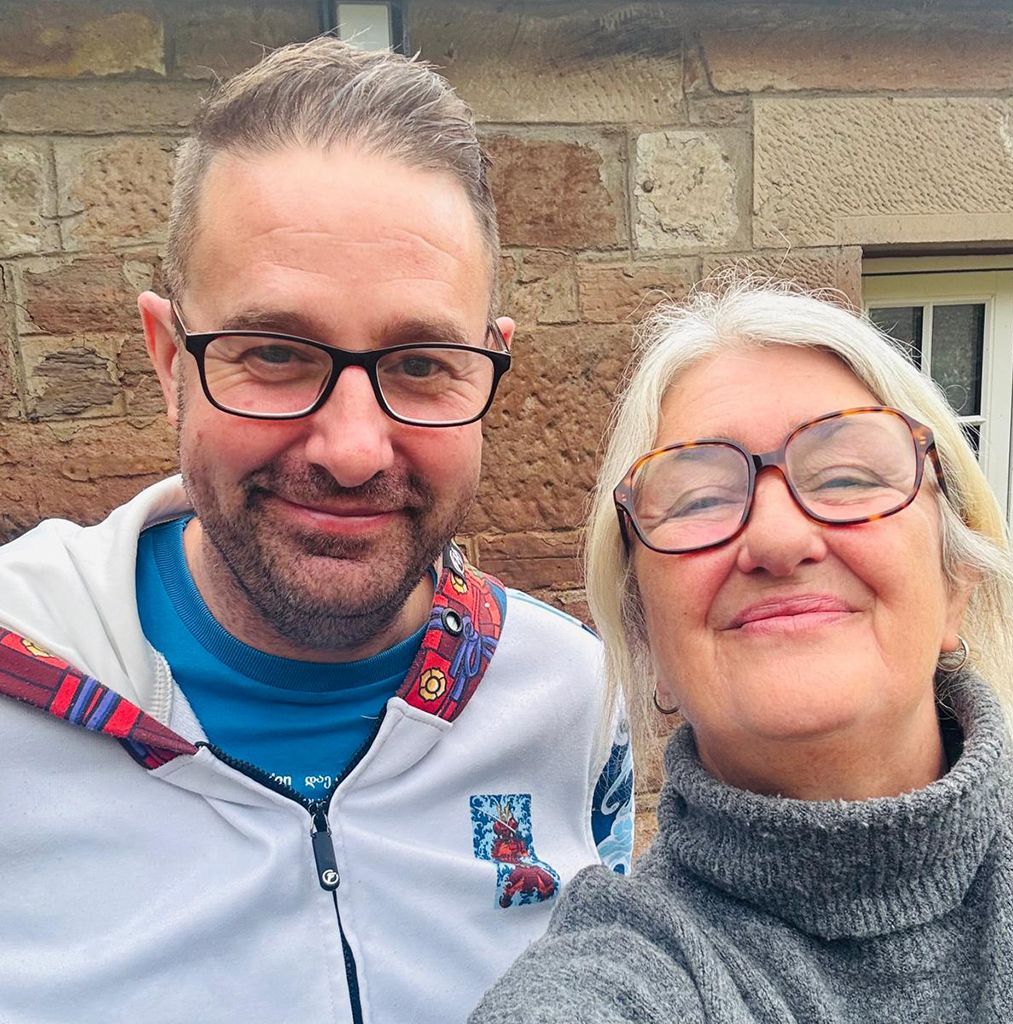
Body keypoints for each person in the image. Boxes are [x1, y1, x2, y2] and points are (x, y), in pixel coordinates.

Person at [0, 39, 633, 1024]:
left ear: (488, 370)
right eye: (273, 353)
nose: (350, 447)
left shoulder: (574, 702)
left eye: (423, 362)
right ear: (169, 358)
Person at [471, 281, 1013, 1024]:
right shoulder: (609, 984)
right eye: (699, 500)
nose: (777, 539)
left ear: (956, 580)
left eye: (848, 477)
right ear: (646, 638)